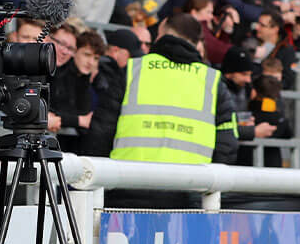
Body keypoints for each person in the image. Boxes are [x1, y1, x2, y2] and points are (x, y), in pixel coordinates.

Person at [107, 16, 264, 209]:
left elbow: (101, 130)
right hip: (190, 196)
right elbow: (227, 145)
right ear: (197, 42)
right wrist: (206, 190)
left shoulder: (132, 70)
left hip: (126, 189)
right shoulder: (212, 80)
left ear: (161, 34)